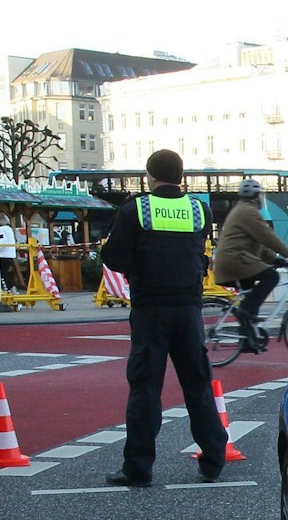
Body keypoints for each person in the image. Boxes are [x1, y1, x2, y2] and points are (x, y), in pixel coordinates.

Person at [97, 148, 229, 487]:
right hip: (189, 310)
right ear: (181, 175)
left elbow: (112, 257)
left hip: (150, 309)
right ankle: (213, 459)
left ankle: (139, 468)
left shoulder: (136, 210)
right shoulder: (200, 210)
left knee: (145, 388)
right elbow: (199, 252)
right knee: (197, 385)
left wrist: (137, 267)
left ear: (150, 176)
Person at [212, 178, 288, 348]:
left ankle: (248, 340)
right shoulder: (248, 212)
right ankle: (244, 311)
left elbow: (260, 244)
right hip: (236, 260)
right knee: (271, 277)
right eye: (260, 195)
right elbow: (267, 236)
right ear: (254, 196)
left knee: (252, 298)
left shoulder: (243, 210)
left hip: (235, 260)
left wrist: (276, 259)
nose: (262, 198)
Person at [0, 212, 19, 290]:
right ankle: (11, 288)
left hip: (3, 254)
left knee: (2, 274)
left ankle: (7, 288)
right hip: (9, 254)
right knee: (5, 273)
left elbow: (2, 242)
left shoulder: (1, 229)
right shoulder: (8, 229)